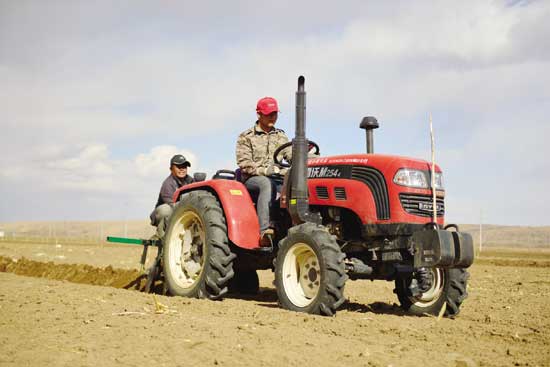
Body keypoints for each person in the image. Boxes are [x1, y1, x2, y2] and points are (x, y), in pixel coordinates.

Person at [236, 97, 291, 246]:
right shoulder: (246, 137)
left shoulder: (281, 135)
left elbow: (290, 154)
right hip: (253, 179)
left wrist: (305, 158)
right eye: (269, 114)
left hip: (277, 177)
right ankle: (264, 231)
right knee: (266, 184)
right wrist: (265, 170)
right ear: (259, 114)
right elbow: (244, 163)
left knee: (295, 188)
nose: (273, 117)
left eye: (275, 113)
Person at [150, 154, 194, 239]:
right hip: (165, 214)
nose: (182, 169)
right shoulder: (168, 184)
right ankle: (162, 236)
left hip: (183, 211)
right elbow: (172, 205)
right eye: (178, 166)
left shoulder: (191, 180)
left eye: (184, 166)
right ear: (171, 169)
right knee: (166, 210)